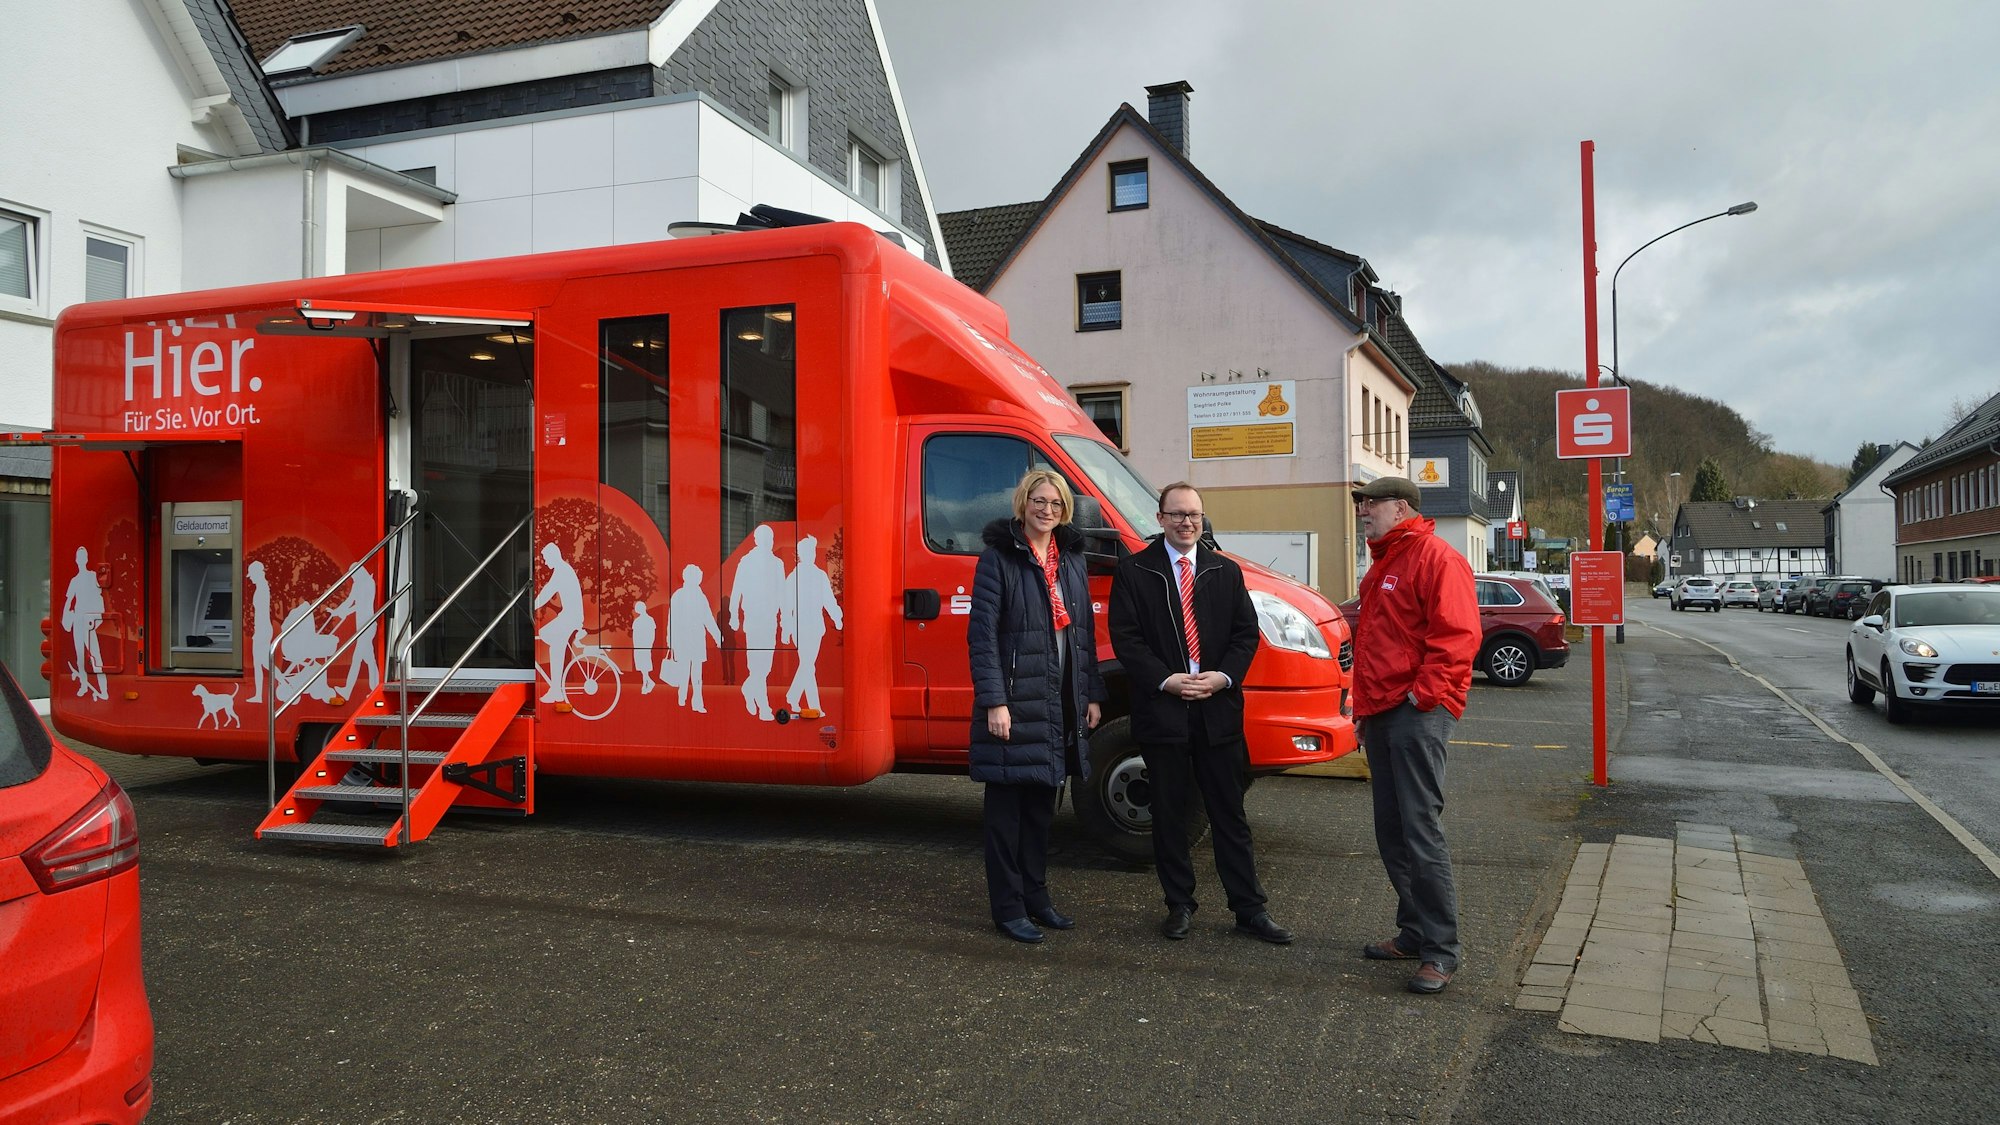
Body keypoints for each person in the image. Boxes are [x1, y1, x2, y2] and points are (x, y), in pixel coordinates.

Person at [1108, 482, 1291, 945]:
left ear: (1202, 519)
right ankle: (1179, 905)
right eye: (1177, 514)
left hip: (1217, 711)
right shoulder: (1135, 572)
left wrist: (1222, 678)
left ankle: (1249, 910)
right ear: (1160, 518)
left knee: (1230, 815)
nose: (1186, 522)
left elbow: (1245, 635)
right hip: (1163, 709)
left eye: (1193, 515)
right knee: (1169, 815)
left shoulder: (1223, 572)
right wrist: (1166, 680)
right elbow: (1126, 639)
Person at [1349, 476, 1481, 994]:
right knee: (1392, 829)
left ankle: (1441, 950)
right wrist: (1364, 710)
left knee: (1420, 830)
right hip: (1384, 711)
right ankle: (1414, 931)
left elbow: (1457, 639)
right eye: (1360, 502)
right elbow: (1377, 643)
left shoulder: (1435, 557)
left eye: (1370, 502)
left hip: (1415, 711)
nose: (1362, 510)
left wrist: (1422, 698)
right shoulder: (1385, 561)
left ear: (1400, 507)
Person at [966, 470, 1104, 944]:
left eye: (1056, 504)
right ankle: (1008, 908)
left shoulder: (1071, 561)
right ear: (1023, 503)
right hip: (1014, 701)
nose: (1047, 510)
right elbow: (981, 636)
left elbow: (1082, 633)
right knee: (1007, 814)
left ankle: (1036, 898)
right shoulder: (997, 559)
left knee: (1042, 810)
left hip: (1058, 699)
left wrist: (1089, 696)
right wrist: (994, 702)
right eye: (1039, 501)